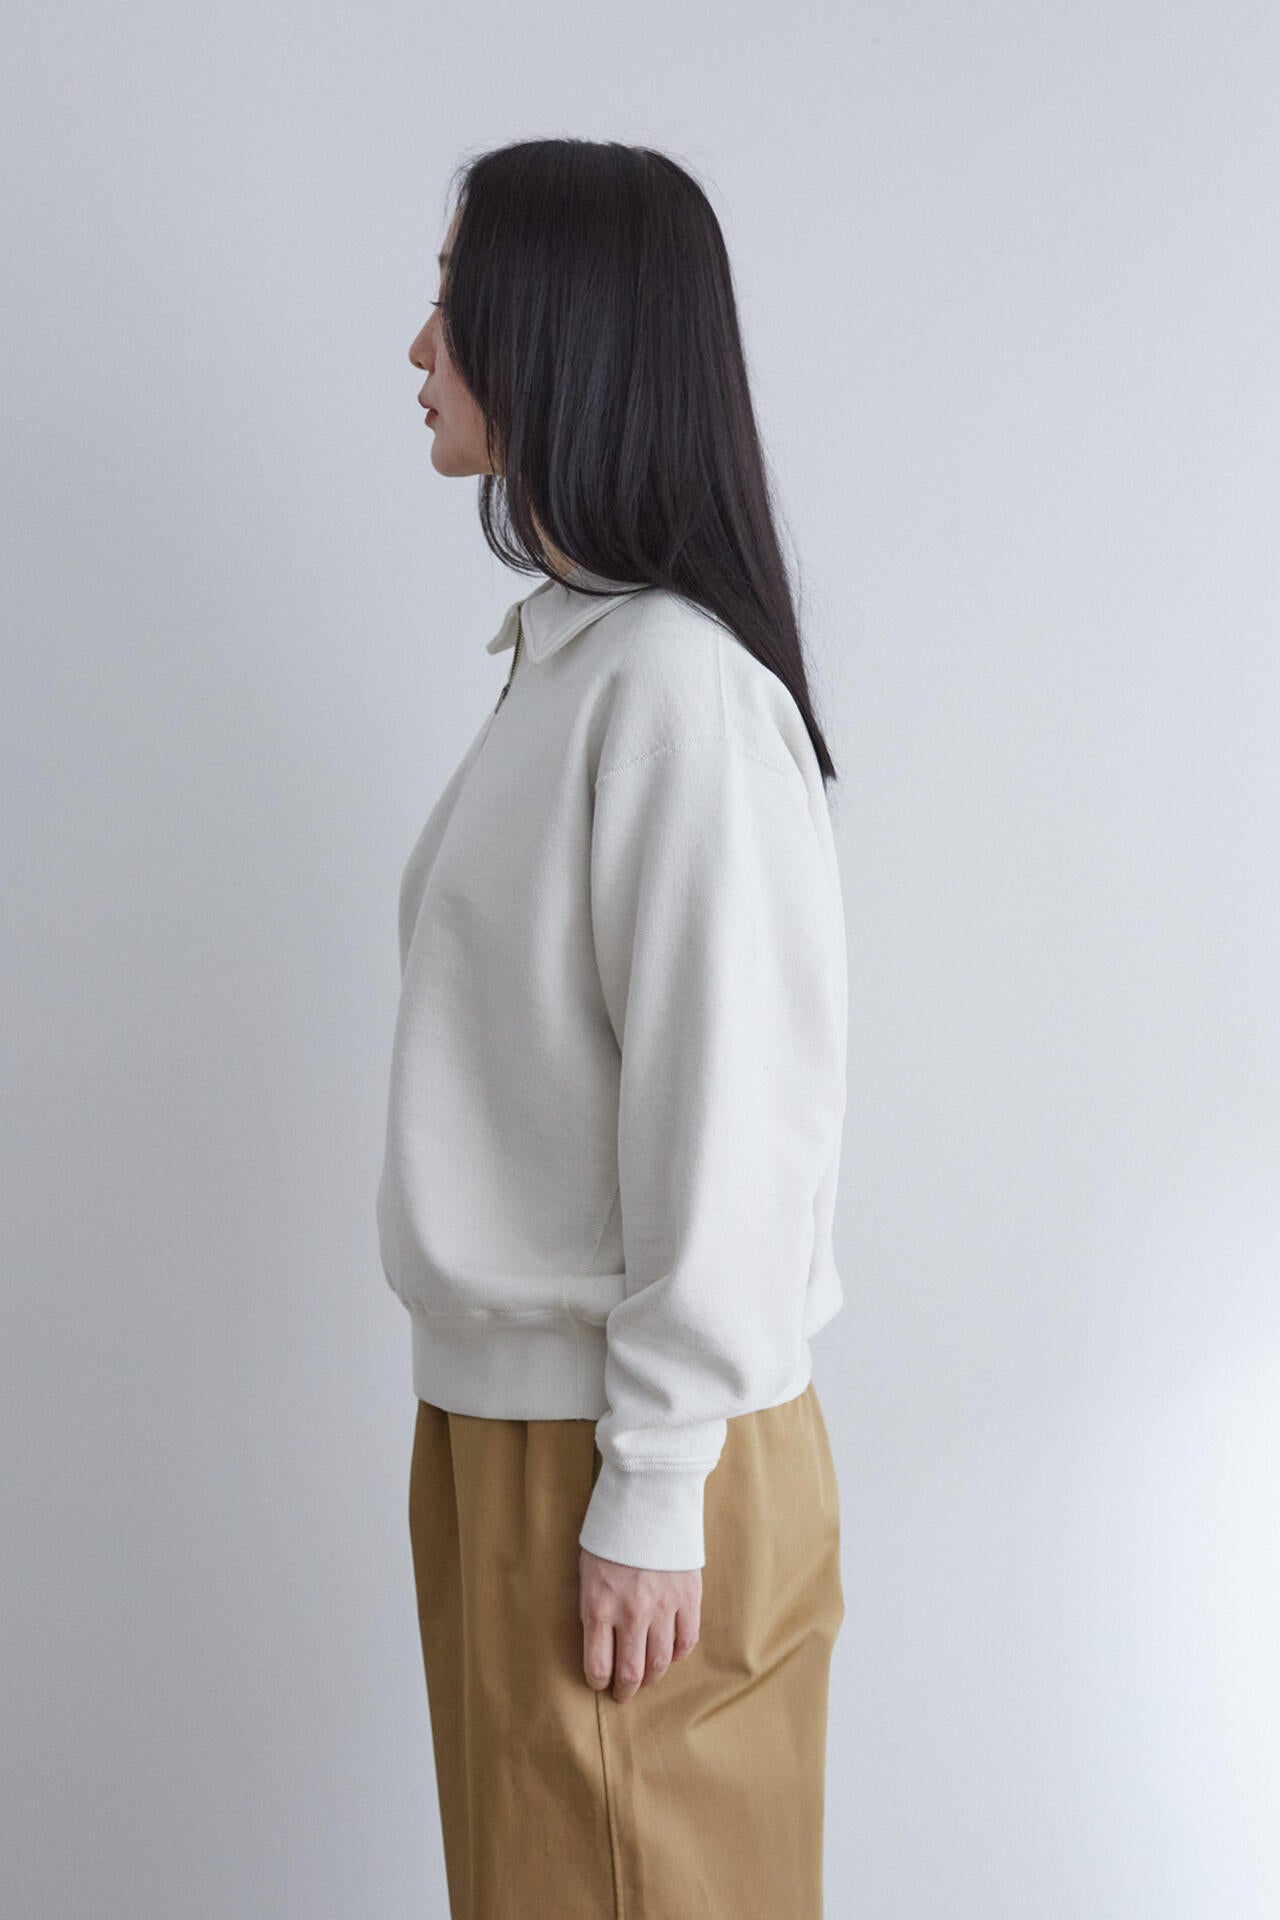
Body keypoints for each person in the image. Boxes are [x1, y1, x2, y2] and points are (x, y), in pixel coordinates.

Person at [377, 136, 849, 1919]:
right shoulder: (575, 665)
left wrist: (651, 1483)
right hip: (515, 1434)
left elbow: (735, 1120)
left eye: (454, 297)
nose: (420, 344)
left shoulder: (674, 696)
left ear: (556, 324)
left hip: (623, 1448)